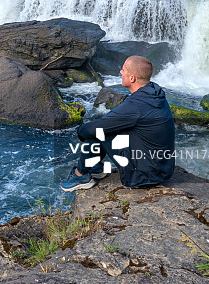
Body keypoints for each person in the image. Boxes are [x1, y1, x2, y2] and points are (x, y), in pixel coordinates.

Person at [61, 55, 175, 191]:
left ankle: (80, 175)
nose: (120, 72)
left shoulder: (136, 106)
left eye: (124, 70)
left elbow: (92, 129)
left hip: (145, 176)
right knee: (108, 127)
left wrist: (80, 132)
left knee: (97, 132)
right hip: (163, 169)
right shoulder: (154, 94)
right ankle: (93, 166)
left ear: (132, 78)